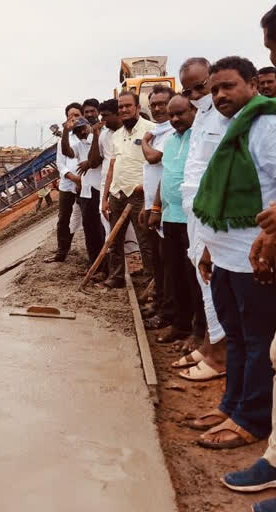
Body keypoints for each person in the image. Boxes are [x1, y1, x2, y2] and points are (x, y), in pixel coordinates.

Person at [193, 56, 276, 451]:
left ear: (252, 84)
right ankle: (232, 404)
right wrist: (209, 245)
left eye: (228, 86)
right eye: (214, 90)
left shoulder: (265, 125)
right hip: (225, 255)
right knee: (237, 338)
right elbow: (217, 194)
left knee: (258, 340)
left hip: (255, 258)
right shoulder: (229, 128)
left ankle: (253, 418)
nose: (220, 95)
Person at [174, 57, 228, 389]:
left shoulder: (225, 117)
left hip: (212, 209)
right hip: (193, 206)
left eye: (200, 86)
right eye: (189, 90)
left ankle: (218, 356)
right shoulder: (202, 116)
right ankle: (209, 344)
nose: (196, 94)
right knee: (200, 273)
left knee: (212, 281)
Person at [148, 95, 206, 347]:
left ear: (194, 110)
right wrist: (156, 206)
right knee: (175, 275)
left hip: (193, 219)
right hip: (170, 217)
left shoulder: (201, 139)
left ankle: (200, 332)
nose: (174, 119)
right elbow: (166, 175)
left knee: (196, 277)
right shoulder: (170, 141)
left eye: (180, 113)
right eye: (172, 115)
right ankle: (180, 325)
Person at [100, 91, 155, 289]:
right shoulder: (116, 136)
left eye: (127, 106)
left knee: (145, 241)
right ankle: (116, 277)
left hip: (139, 194)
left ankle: (150, 280)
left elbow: (158, 165)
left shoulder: (151, 130)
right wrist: (105, 198)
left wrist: (147, 188)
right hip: (117, 193)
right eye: (120, 107)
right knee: (114, 239)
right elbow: (112, 168)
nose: (123, 110)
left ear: (137, 108)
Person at [139, 85, 176, 329]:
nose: (158, 108)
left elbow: (153, 158)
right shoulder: (158, 131)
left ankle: (169, 312)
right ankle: (160, 302)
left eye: (163, 103)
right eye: (153, 104)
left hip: (166, 208)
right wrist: (147, 205)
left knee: (171, 264)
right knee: (159, 264)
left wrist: (144, 142)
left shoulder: (172, 133)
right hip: (153, 205)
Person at [45, 103, 84, 263]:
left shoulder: (87, 135)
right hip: (68, 184)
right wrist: (72, 177)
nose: (73, 119)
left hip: (85, 185)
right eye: (70, 116)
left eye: (76, 115)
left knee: (89, 219)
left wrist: (82, 180)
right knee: (63, 219)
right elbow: (60, 163)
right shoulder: (64, 139)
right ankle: (61, 252)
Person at [68, 117, 106, 278]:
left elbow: (96, 161)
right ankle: (94, 266)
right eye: (77, 131)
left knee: (101, 231)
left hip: (99, 190)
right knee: (89, 231)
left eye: (82, 129)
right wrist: (64, 132)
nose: (80, 133)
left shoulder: (100, 139)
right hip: (85, 191)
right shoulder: (78, 145)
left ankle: (104, 268)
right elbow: (66, 152)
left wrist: (88, 163)